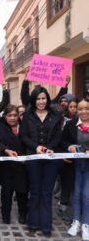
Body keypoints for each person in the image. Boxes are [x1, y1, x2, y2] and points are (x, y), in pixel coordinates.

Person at [20, 86, 63, 237]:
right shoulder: (27, 115)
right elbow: (24, 136)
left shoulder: (55, 114)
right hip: (34, 158)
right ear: (34, 99)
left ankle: (46, 225)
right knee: (35, 191)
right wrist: (36, 147)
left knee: (46, 192)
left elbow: (58, 136)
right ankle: (32, 223)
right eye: (38, 98)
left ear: (48, 99)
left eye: (44, 98)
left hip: (51, 158)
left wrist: (50, 148)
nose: (41, 101)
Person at [62, 99, 89, 240]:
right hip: (76, 166)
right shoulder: (71, 124)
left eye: (87, 108)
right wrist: (69, 147)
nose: (83, 112)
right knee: (76, 194)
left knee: (86, 194)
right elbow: (64, 140)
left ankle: (86, 223)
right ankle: (76, 221)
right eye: (80, 109)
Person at [0, 104, 28, 224]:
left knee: (22, 192)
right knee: (7, 192)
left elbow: (29, 142)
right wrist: (6, 150)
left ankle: (23, 213)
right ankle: (6, 214)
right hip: (7, 166)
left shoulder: (24, 127)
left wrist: (25, 157)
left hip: (22, 165)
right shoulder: (0, 128)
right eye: (9, 115)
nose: (12, 118)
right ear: (5, 116)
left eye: (15, 115)